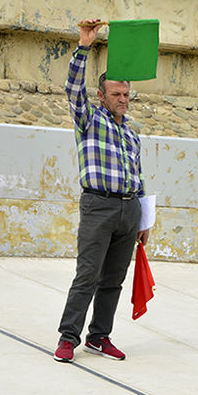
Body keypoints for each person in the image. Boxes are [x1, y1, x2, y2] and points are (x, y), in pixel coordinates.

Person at [53, 18, 151, 364]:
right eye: (116, 95)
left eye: (126, 95)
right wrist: (84, 45)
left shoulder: (132, 133)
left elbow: (137, 177)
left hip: (128, 211)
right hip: (98, 206)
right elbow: (72, 89)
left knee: (113, 280)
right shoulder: (89, 120)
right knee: (88, 274)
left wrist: (144, 218)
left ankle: (99, 336)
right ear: (101, 96)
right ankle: (68, 337)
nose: (123, 100)